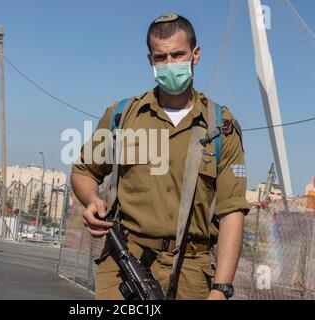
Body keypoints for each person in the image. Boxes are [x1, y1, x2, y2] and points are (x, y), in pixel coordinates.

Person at [71, 13, 249, 300]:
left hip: (193, 273)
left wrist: (221, 288)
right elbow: (84, 171)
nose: (169, 65)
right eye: (161, 57)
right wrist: (92, 201)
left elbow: (232, 212)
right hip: (124, 265)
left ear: (196, 54)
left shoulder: (221, 127)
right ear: (150, 60)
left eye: (178, 55)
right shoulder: (123, 116)